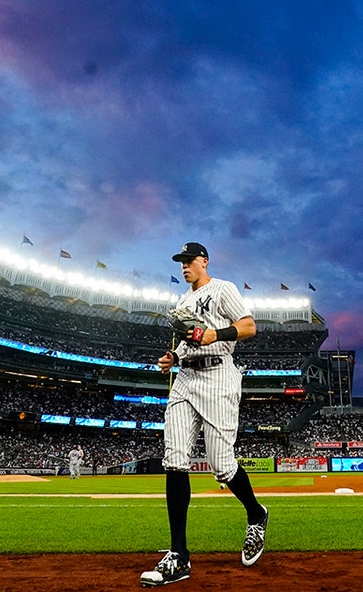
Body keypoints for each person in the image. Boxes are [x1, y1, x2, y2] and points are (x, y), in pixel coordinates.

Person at [139, 242, 268, 587]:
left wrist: (216, 334)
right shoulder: (181, 302)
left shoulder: (222, 288)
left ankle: (256, 514)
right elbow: (186, 342)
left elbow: (249, 326)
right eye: (180, 261)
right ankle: (178, 556)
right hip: (186, 378)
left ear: (204, 261)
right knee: (174, 459)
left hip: (219, 376)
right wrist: (173, 358)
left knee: (222, 466)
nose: (184, 266)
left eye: (188, 260)